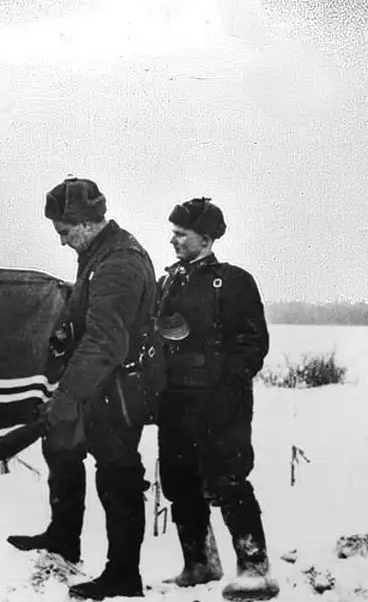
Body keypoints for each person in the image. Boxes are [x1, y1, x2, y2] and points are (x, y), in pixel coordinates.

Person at [8, 177, 161, 600]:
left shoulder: (119, 262)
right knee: (61, 448)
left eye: (64, 231)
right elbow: (92, 318)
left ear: (86, 223)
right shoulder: (98, 254)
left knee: (117, 473)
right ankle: (63, 537)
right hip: (99, 380)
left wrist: (68, 396)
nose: (61, 241)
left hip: (119, 387)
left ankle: (123, 575)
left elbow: (106, 341)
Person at [155, 198, 280, 601]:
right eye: (173, 233)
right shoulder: (169, 282)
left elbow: (252, 343)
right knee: (179, 481)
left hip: (220, 402)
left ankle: (255, 569)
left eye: (181, 234)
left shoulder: (233, 281)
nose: (173, 240)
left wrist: (229, 390)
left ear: (206, 240)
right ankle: (199, 564)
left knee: (229, 480)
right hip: (176, 399)